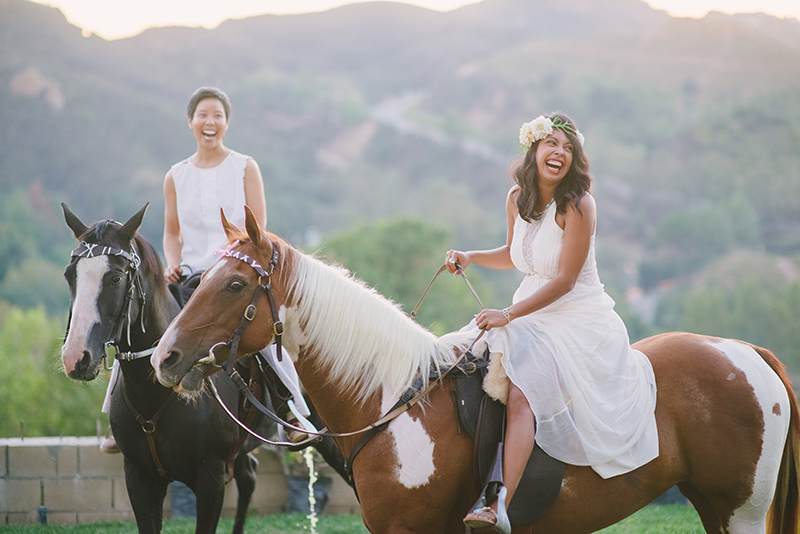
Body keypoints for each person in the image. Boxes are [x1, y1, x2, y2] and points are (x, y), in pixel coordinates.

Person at [447, 113, 658, 533]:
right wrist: (471, 256)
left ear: (574, 159)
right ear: (534, 150)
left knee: (525, 393)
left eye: (568, 148)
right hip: (531, 311)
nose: (559, 153)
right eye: (552, 144)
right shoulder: (516, 198)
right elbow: (514, 254)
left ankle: (498, 501)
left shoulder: (579, 205)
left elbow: (563, 280)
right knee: (458, 356)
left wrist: (506, 315)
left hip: (575, 317)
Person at [100, 87, 314, 454]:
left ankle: (292, 415)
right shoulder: (175, 175)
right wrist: (173, 264)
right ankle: (116, 419)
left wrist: (232, 265)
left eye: (217, 115)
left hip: (236, 272)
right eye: (203, 115)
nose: (209, 122)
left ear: (226, 124)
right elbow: (171, 232)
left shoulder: (245, 167)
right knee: (137, 321)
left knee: (261, 337)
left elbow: (257, 230)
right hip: (189, 275)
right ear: (191, 122)